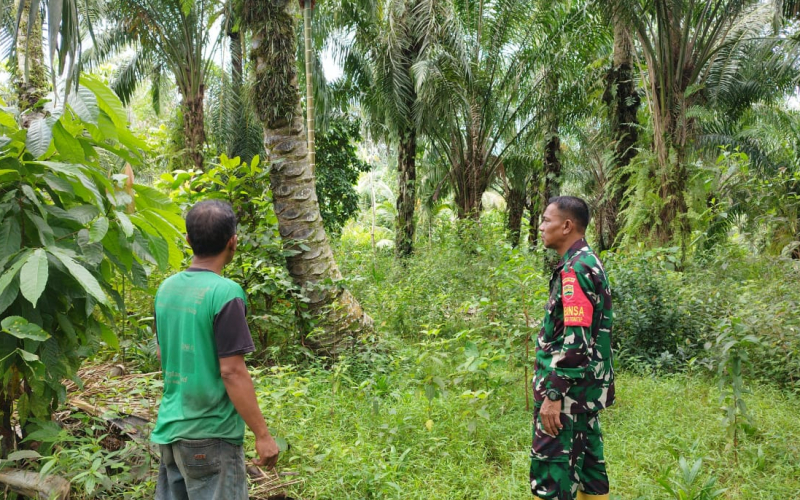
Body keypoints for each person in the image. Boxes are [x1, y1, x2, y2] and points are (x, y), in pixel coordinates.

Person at [152, 200, 279, 500]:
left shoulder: (166, 289)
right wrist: (263, 435)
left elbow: (163, 353)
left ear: (188, 241)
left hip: (171, 433)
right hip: (211, 437)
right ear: (232, 242)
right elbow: (232, 371)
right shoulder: (226, 293)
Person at [530, 196, 614, 500]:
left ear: (566, 226)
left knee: (551, 482)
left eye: (546, 220)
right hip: (583, 395)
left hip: (566, 398)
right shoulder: (587, 262)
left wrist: (553, 395)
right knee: (591, 475)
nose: (540, 227)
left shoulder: (576, 270)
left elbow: (576, 342)